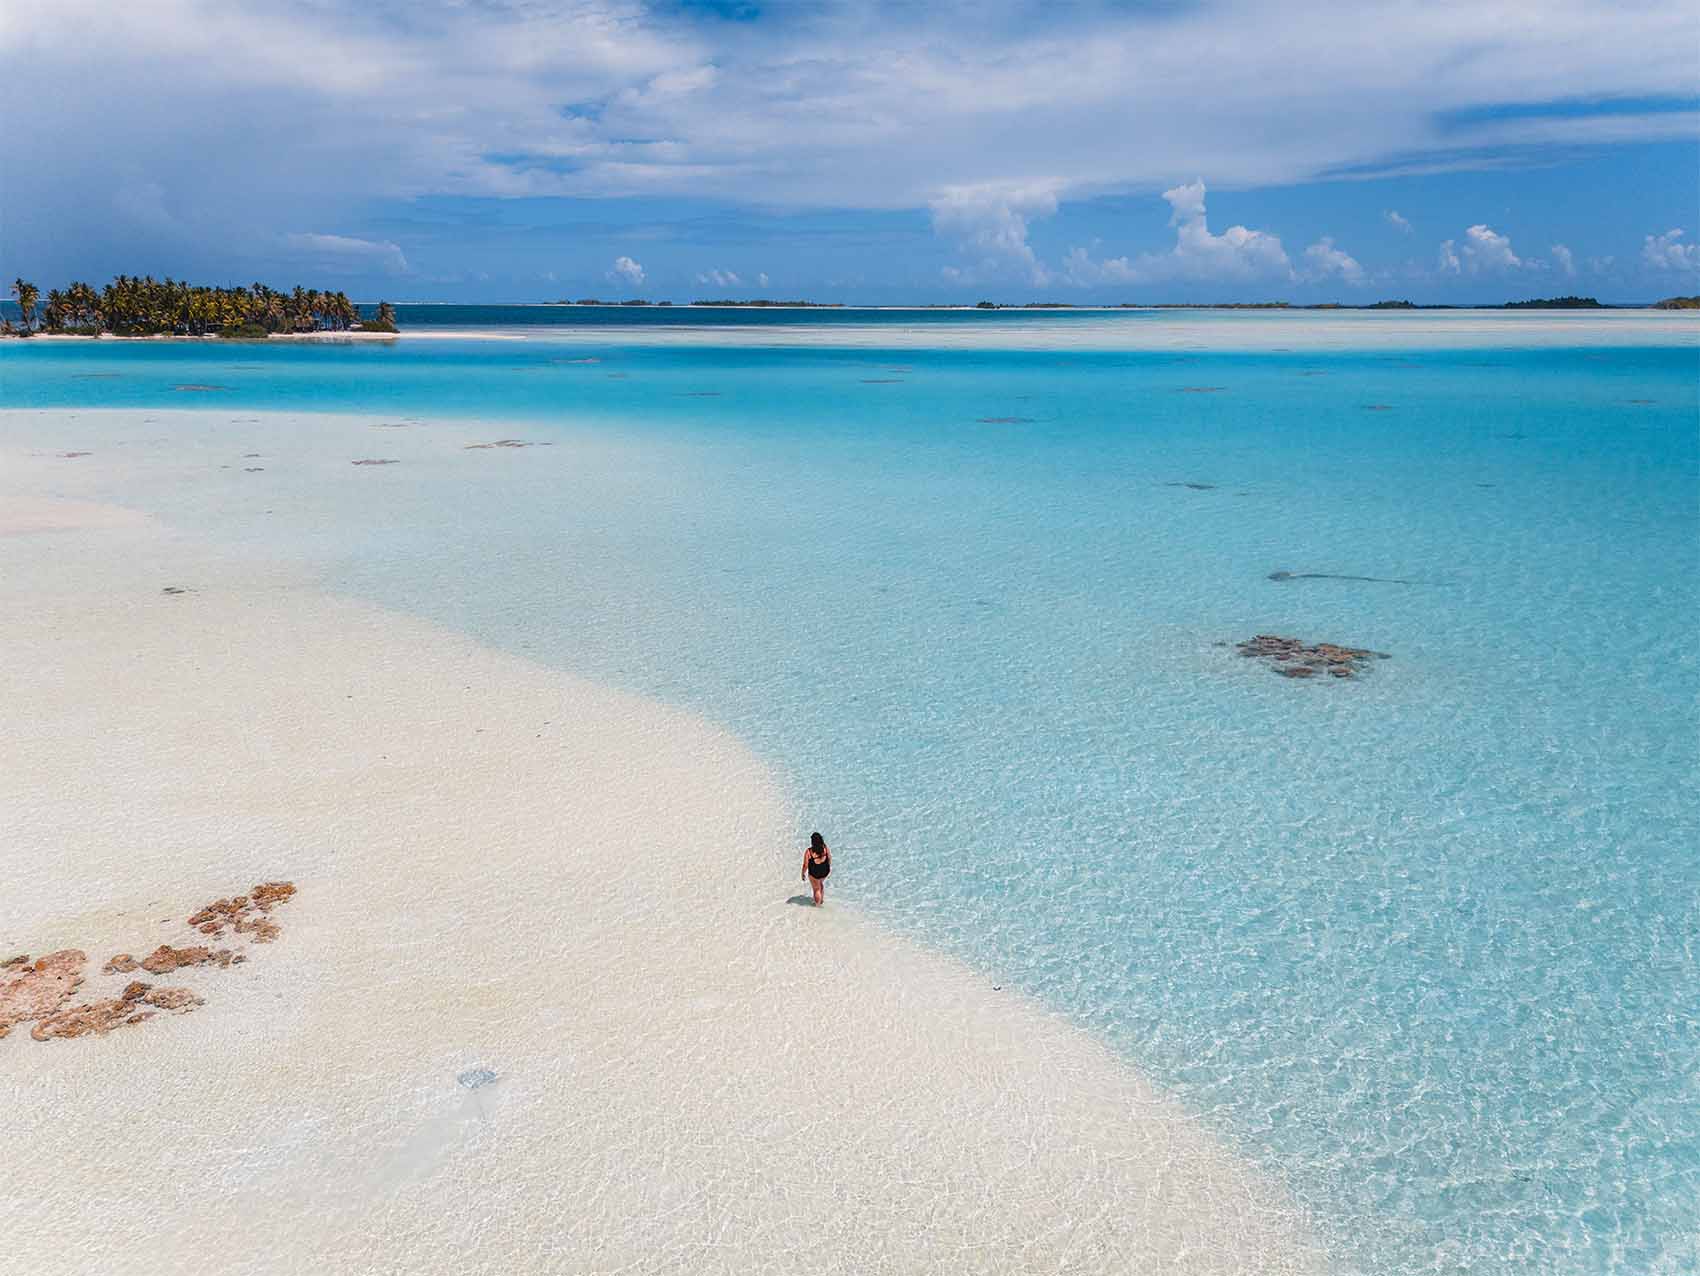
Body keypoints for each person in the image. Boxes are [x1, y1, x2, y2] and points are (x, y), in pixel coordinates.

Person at [801, 832, 831, 906]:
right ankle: (821, 900)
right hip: (825, 871)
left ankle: (817, 906)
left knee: (816, 889)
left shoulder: (809, 852)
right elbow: (829, 858)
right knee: (820, 883)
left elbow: (805, 865)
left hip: (815, 874)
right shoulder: (825, 848)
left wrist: (803, 873)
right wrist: (828, 867)